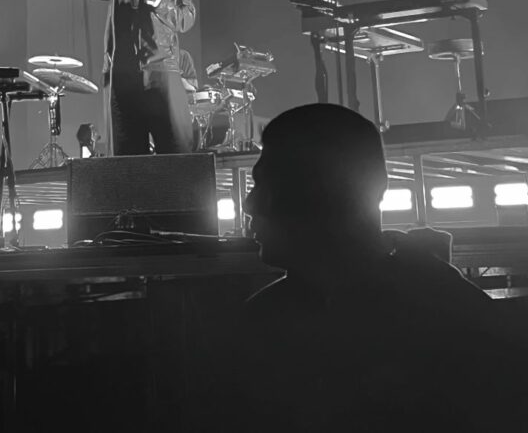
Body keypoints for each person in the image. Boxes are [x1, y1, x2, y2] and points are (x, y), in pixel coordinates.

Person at [214, 103, 528, 432]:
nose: (249, 204)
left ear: (323, 190)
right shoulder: (451, 304)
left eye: (265, 184)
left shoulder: (263, 323)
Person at [86, 0, 196, 155]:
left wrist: (162, 4)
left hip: (162, 68)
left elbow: (187, 18)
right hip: (123, 73)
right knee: (129, 156)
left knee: (174, 150)